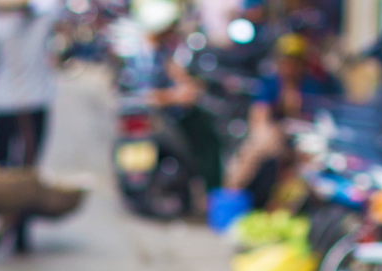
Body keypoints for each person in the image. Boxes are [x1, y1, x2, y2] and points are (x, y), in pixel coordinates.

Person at [0, 0, 62, 252]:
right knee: (27, 170)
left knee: (4, 169)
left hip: (7, 104)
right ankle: (17, 225)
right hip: (35, 105)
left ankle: (7, 219)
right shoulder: (41, 22)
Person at [222, 31, 340, 204]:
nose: (289, 66)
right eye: (285, 60)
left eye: (294, 61)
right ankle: (231, 196)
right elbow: (259, 118)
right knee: (255, 147)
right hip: (276, 137)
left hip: (305, 139)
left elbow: (319, 118)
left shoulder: (311, 86)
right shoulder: (270, 84)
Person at [134, 0, 222, 207]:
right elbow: (146, 95)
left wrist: (188, 85)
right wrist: (176, 96)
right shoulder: (142, 55)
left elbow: (175, 72)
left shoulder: (160, 50)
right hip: (158, 116)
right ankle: (209, 193)